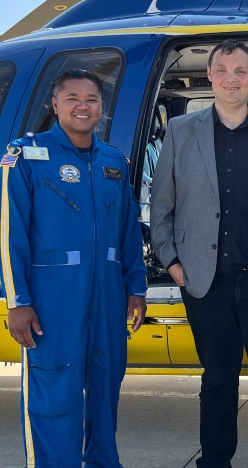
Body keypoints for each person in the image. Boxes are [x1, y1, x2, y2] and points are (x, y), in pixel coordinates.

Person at [151, 39, 248, 468]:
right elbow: (161, 205)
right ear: (210, 77)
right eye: (222, 70)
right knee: (217, 380)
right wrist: (174, 265)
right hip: (205, 282)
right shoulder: (181, 134)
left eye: (240, 70)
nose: (230, 79)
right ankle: (214, 462)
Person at [1, 68, 147, 467]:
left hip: (107, 302)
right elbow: (8, 232)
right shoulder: (26, 155)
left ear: (101, 107)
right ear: (55, 104)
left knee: (104, 394)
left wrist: (136, 288)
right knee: (54, 400)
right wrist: (17, 301)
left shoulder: (114, 161)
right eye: (73, 98)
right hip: (52, 303)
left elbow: (128, 231)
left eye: (92, 99)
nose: (83, 106)